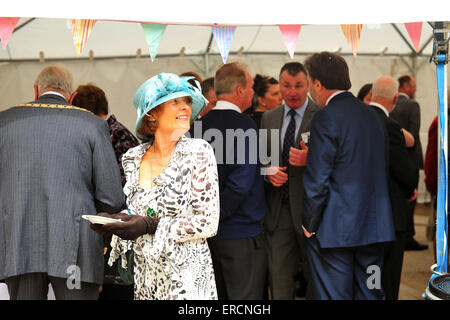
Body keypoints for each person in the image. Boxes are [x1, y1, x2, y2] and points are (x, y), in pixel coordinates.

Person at [0, 64, 125, 300]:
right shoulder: (93, 124)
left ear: (36, 91)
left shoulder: (4, 122)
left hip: (19, 246)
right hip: (75, 250)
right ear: (73, 96)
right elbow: (112, 199)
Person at [91, 73, 220, 300]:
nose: (185, 108)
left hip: (186, 281)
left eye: (187, 102)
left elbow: (208, 223)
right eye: (175, 102)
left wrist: (151, 225)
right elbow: (137, 213)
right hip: (146, 278)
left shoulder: (198, 151)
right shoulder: (133, 157)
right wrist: (115, 222)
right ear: (152, 115)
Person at [302, 52, 395, 300]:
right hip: (375, 229)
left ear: (318, 84)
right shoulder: (373, 116)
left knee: (335, 296)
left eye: (310, 82)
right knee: (372, 292)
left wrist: (309, 223)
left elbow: (318, 178)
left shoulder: (326, 117)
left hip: (336, 231)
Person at [197, 62, 267, 299]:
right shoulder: (245, 126)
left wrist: (208, 217)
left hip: (205, 235)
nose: (252, 93)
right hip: (240, 234)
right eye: (250, 88)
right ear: (239, 91)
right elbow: (241, 182)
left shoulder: (197, 128)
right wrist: (218, 214)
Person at [72, 83, 139, 300]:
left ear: (83, 111)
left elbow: (125, 187)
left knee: (116, 291)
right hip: (108, 226)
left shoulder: (116, 135)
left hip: (118, 228)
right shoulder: (114, 131)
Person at [260, 62, 319, 299]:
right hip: (279, 212)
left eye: (298, 86)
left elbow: (338, 162)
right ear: (280, 86)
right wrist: (267, 172)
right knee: (279, 281)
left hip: (312, 214)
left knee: (317, 279)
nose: (292, 92)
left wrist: (311, 159)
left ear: (309, 86)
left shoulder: (322, 116)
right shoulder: (268, 118)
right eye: (286, 86)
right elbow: (260, 161)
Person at [369, 76, 418, 300]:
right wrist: (411, 190)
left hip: (361, 217)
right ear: (395, 98)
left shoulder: (358, 121)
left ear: (371, 94)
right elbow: (403, 171)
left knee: (369, 280)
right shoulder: (390, 127)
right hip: (388, 217)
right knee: (387, 282)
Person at [389, 75, 428, 251]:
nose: (415, 89)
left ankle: (400, 234)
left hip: (391, 159)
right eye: (413, 86)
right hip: (410, 159)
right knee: (410, 201)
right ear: (404, 86)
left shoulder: (390, 105)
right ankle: (408, 237)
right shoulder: (412, 105)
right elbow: (414, 132)